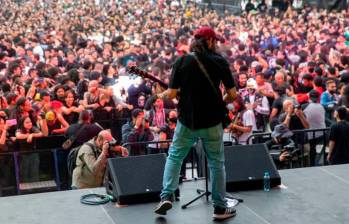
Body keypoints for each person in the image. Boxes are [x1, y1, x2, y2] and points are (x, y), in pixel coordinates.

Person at [153, 27, 237, 221]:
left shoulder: (182, 61)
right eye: (214, 40)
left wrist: (159, 94)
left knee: (175, 157)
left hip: (188, 122)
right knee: (216, 163)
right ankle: (219, 207)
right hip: (212, 122)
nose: (215, 43)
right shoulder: (220, 61)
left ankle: (166, 196)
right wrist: (220, 101)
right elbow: (232, 95)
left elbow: (172, 94)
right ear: (209, 41)